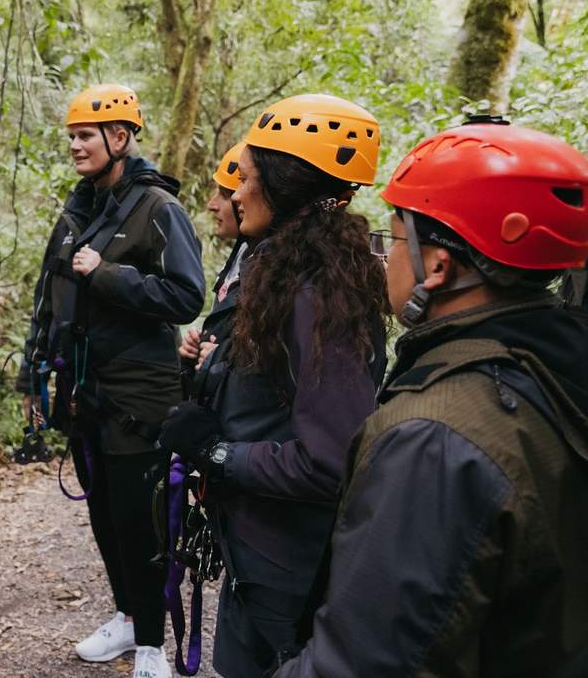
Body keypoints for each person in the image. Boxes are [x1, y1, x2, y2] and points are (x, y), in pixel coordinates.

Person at [274, 118, 588, 677]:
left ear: (438, 266)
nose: (384, 256)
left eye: (393, 238)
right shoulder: (556, 364)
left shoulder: (434, 439)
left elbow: (362, 663)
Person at [158, 94, 389, 678]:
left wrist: (218, 453)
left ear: (283, 186)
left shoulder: (318, 295)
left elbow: (331, 460)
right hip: (261, 547)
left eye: (248, 177)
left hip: (288, 562)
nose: (235, 192)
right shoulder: (286, 272)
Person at [16, 83, 204, 678]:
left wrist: (108, 274)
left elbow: (185, 295)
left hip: (140, 397)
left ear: (119, 138)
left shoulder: (159, 209)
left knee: (138, 521)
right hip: (82, 393)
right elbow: (49, 298)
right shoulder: (78, 209)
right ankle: (127, 619)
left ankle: (153, 646)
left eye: (85, 136)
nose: (75, 146)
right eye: (71, 136)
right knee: (102, 516)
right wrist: (33, 378)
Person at [178, 142, 246, 385]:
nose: (211, 204)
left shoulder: (276, 270)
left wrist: (222, 361)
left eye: (225, 195)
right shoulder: (241, 254)